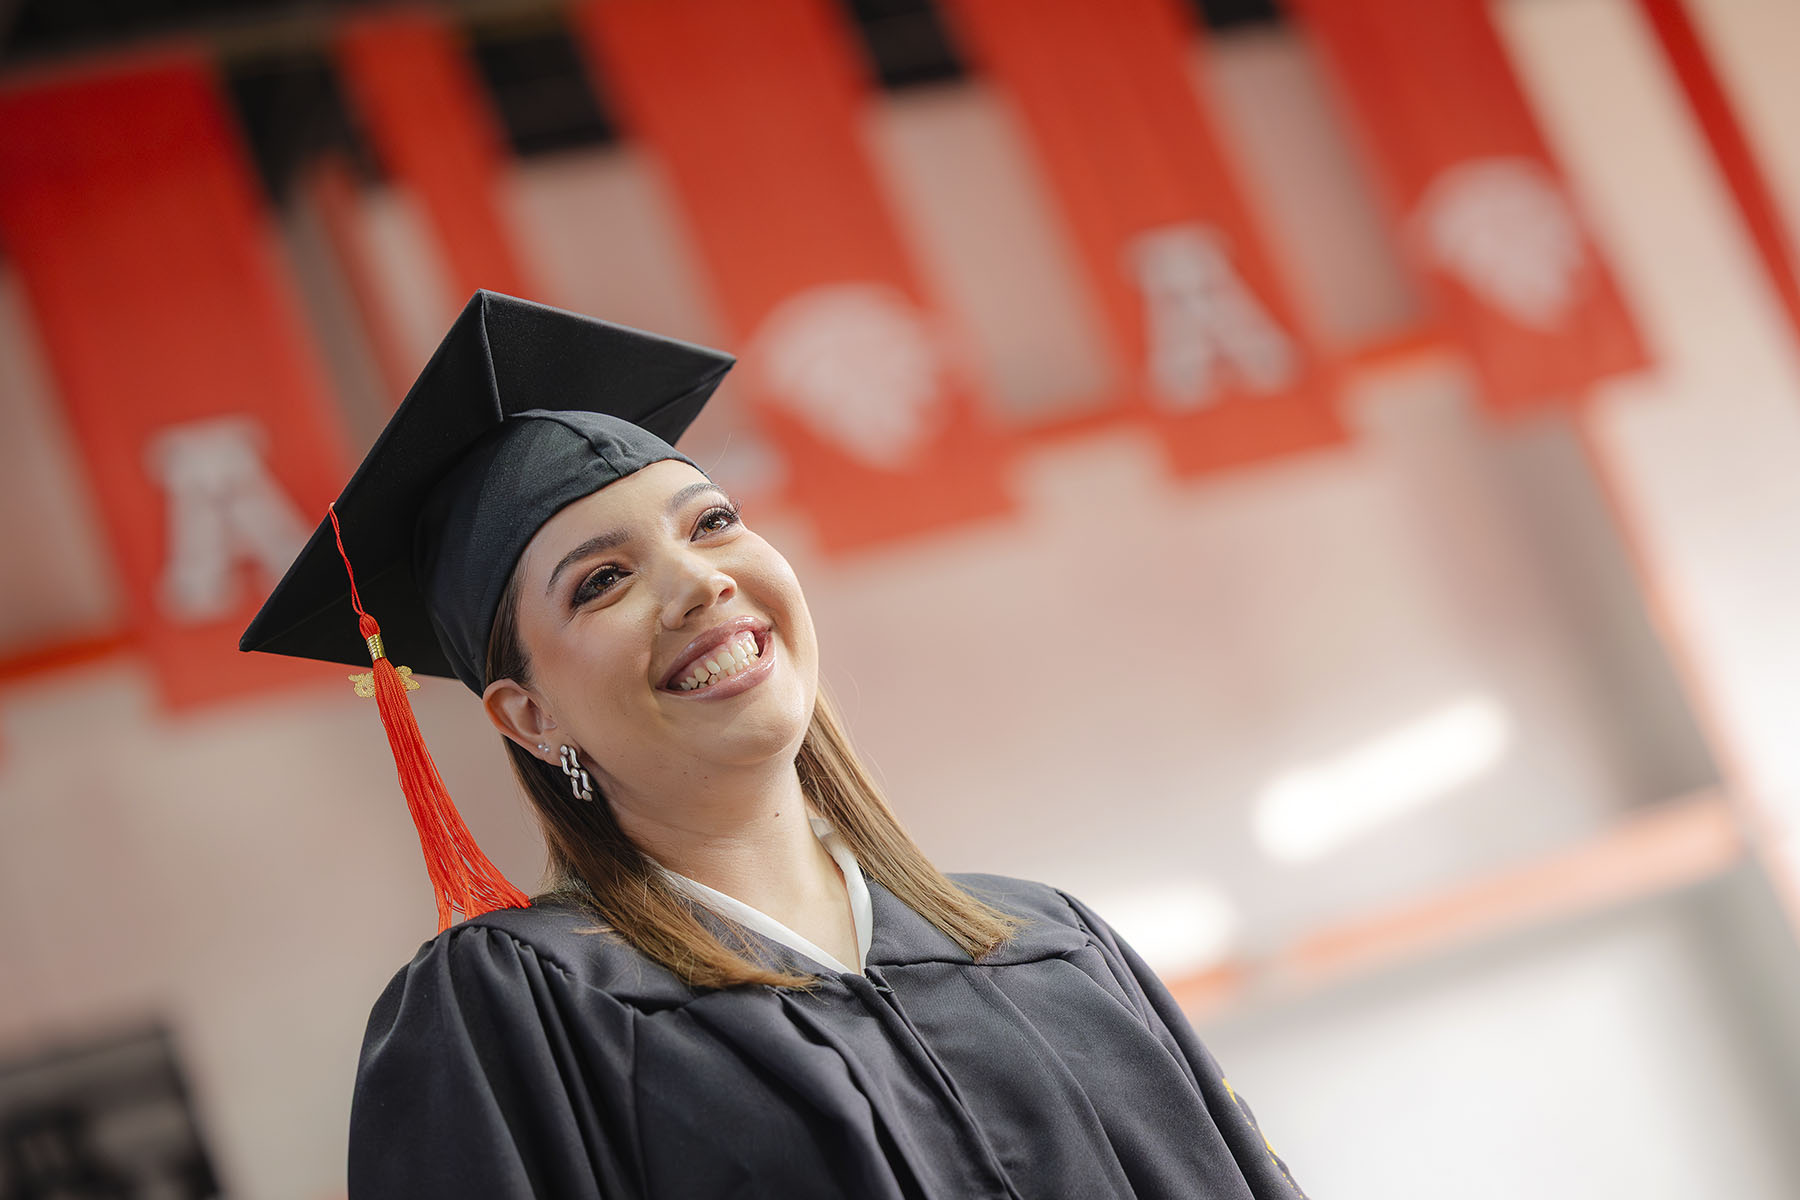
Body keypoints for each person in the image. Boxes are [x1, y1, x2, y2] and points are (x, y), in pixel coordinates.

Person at [243, 290, 1309, 1199]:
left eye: (711, 523)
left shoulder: (1049, 941)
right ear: (530, 716)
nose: (701, 579)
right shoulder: (517, 1015)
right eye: (603, 580)